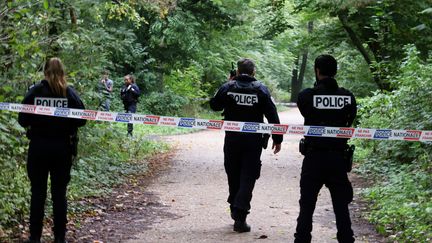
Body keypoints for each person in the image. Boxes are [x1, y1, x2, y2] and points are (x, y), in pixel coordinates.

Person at [18, 57, 87, 243]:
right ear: (63, 72)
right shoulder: (69, 93)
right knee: (59, 194)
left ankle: (34, 237)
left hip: (38, 148)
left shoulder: (35, 92)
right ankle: (59, 238)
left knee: (37, 193)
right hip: (62, 149)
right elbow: (82, 119)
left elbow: (22, 120)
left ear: (45, 72)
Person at [210, 58, 283, 233]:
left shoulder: (228, 87)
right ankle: (240, 215)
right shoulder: (261, 89)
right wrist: (277, 138)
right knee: (248, 176)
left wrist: (227, 85)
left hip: (232, 140)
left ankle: (236, 208)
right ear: (253, 72)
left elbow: (214, 105)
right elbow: (272, 115)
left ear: (237, 71)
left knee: (233, 174)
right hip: (253, 142)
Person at [294, 54, 357, 243]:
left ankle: (302, 240)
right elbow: (350, 119)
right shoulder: (347, 97)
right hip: (337, 158)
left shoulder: (306, 96)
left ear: (317, 70)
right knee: (341, 205)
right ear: (335, 71)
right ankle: (346, 240)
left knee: (307, 205)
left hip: (314, 156)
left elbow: (306, 110)